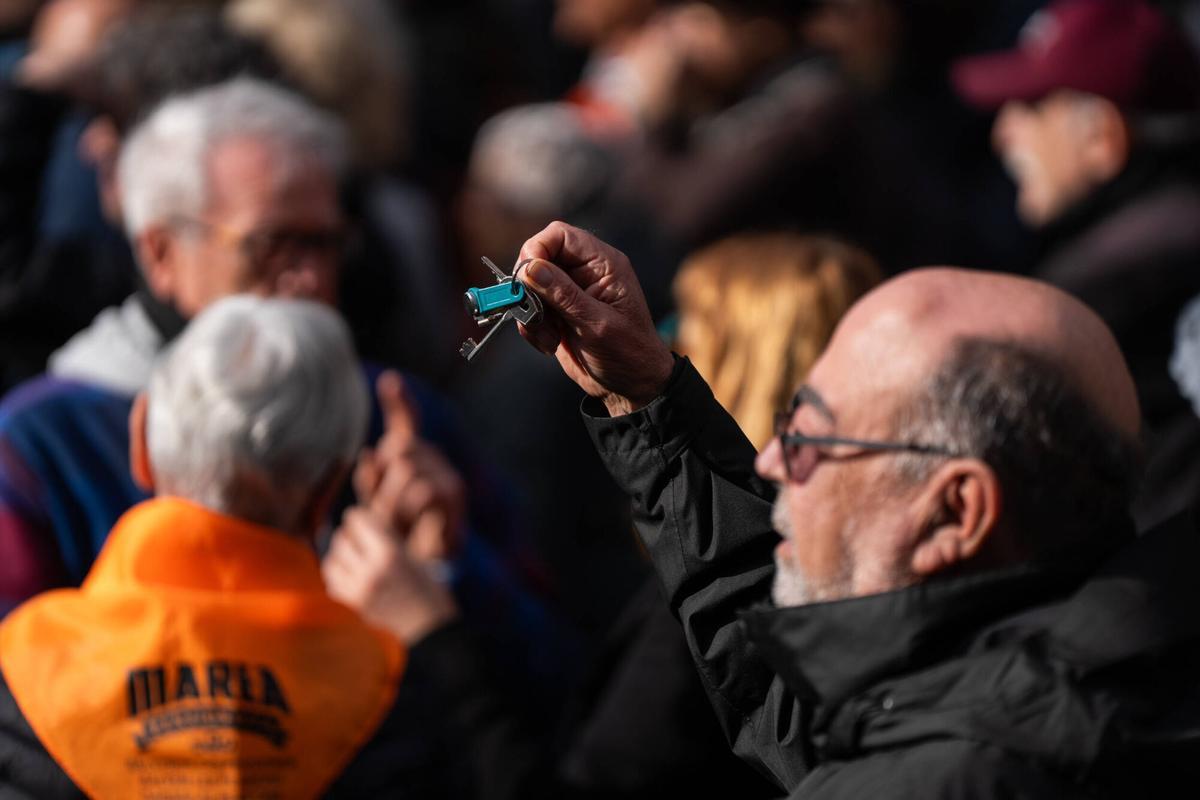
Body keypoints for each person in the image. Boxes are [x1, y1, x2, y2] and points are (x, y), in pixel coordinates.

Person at [504, 221, 1200, 796]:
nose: (774, 463)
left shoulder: (949, 774)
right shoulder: (1061, 675)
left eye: (812, 436)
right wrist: (646, 395)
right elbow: (791, 707)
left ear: (956, 512)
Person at [0, 296, 453, 798]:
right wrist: (431, 591)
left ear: (140, 442)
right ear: (325, 496)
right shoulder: (394, 696)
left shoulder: (20, 674)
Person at [952, 0, 1200, 528]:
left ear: (1102, 136)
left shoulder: (1109, 291)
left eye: (1030, 108)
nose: (1003, 133)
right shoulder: (1153, 244)